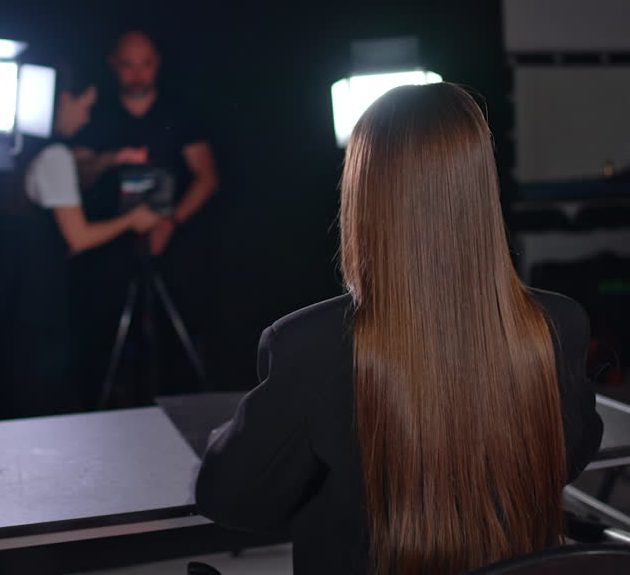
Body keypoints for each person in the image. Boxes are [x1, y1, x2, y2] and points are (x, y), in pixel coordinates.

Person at [194, 83, 604, 574]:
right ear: (481, 186)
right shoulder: (558, 324)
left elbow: (233, 501)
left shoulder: (309, 345)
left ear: (364, 193)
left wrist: (230, 434)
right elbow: (566, 458)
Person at [0, 65, 161, 419]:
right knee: (39, 389)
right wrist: (133, 219)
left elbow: (80, 163)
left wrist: (116, 158)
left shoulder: (27, 148)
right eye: (85, 107)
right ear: (64, 100)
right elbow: (78, 236)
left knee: (21, 383)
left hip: (18, 290)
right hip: (41, 296)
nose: (85, 119)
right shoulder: (55, 158)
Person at [71, 30, 219, 402]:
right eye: (127, 65)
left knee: (180, 329)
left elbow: (207, 176)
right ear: (113, 65)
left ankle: (186, 407)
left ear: (158, 64)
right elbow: (73, 174)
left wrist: (171, 221)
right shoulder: (95, 114)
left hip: (169, 243)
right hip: (107, 245)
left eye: (146, 64)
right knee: (103, 336)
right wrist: (109, 160)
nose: (137, 74)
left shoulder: (179, 112)